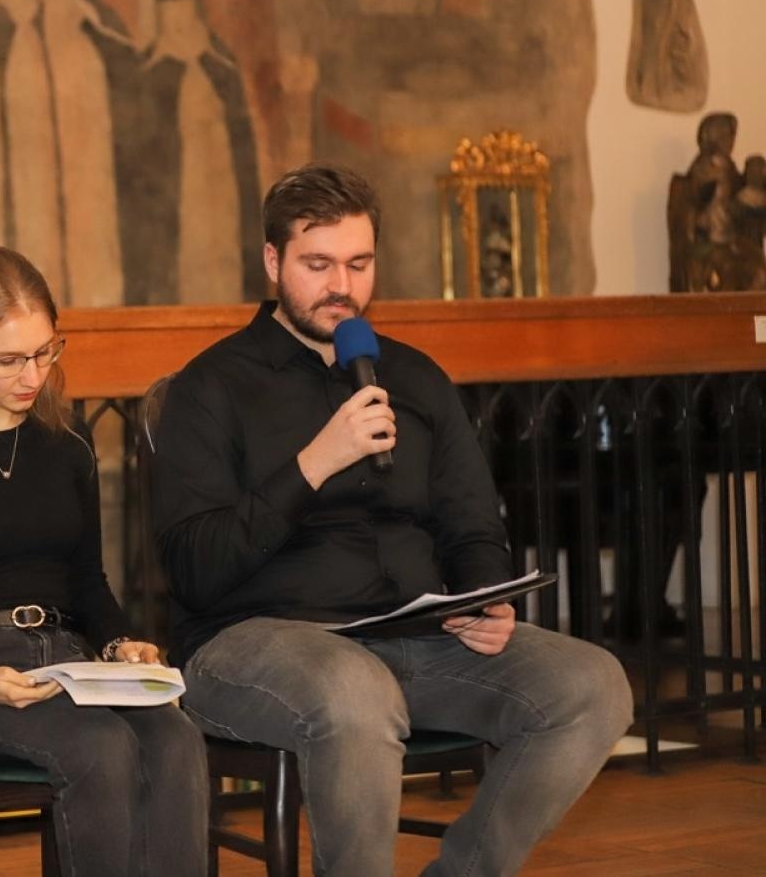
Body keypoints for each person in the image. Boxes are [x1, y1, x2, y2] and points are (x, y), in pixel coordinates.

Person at [151, 164, 633, 877]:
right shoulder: (211, 387)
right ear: (273, 261)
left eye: (359, 263)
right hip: (255, 642)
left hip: (413, 636)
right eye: (318, 264)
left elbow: (473, 520)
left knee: (593, 685)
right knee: (353, 688)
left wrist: (487, 595)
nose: (341, 285)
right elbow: (194, 566)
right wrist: (314, 463)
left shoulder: (413, 378)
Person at [0, 246, 208, 877]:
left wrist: (120, 645)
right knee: (100, 748)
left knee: (175, 737)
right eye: (9, 359)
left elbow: (86, 583)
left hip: (61, 661)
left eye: (46, 351)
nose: (33, 375)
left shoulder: (66, 449)